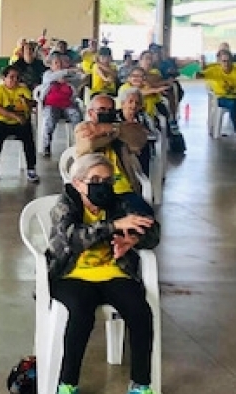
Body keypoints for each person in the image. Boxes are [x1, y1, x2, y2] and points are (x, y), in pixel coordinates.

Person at [47, 152, 159, 394]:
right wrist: (113, 226)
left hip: (114, 272)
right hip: (71, 275)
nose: (103, 187)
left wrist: (133, 240)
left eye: (108, 181)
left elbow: (153, 232)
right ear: (78, 182)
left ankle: (141, 384)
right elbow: (72, 239)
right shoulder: (64, 204)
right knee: (80, 314)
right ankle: (68, 383)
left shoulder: (120, 203)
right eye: (95, 180)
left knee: (140, 311)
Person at [75, 95, 151, 212]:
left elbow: (140, 140)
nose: (107, 113)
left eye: (111, 110)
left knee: (145, 217)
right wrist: (115, 133)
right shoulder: (83, 127)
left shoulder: (120, 126)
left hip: (124, 189)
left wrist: (110, 129)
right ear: (90, 113)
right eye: (102, 110)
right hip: (95, 188)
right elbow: (88, 145)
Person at [0, 67, 38, 183]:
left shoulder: (23, 89)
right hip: (1, 121)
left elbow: (32, 104)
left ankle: (31, 168)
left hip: (19, 123)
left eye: (17, 77)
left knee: (28, 136)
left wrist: (27, 102)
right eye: (11, 77)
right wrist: (15, 116)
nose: (15, 80)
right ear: (4, 78)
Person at [38, 53, 84, 158]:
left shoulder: (70, 76)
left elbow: (79, 80)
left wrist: (68, 80)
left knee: (77, 115)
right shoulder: (48, 74)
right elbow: (51, 78)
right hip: (51, 105)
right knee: (49, 118)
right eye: (56, 63)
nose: (59, 65)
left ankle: (80, 143)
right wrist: (66, 72)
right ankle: (46, 145)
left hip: (67, 105)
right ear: (51, 65)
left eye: (61, 63)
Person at [195, 48, 236, 134]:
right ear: (219, 62)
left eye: (229, 61)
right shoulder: (214, 70)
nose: (227, 63)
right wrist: (197, 71)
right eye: (224, 61)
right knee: (233, 104)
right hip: (221, 98)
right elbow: (201, 74)